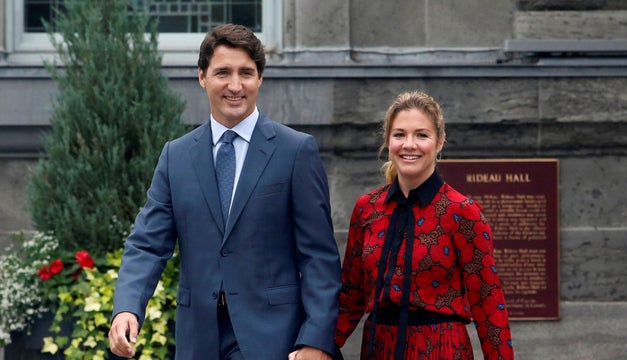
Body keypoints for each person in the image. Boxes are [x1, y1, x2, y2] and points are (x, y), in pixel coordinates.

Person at [108, 24, 342, 359]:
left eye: (246, 72)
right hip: (198, 338)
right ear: (202, 77)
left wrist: (316, 341)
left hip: (273, 338)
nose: (235, 85)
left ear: (260, 78)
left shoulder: (295, 151)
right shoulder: (176, 156)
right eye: (222, 72)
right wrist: (127, 308)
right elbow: (147, 244)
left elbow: (319, 257)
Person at [334, 91, 514, 359]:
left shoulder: (462, 212)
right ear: (388, 141)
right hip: (378, 348)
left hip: (441, 348)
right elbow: (351, 294)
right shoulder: (367, 208)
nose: (409, 144)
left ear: (439, 142)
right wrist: (317, 345)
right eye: (399, 135)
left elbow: (487, 301)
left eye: (421, 135)